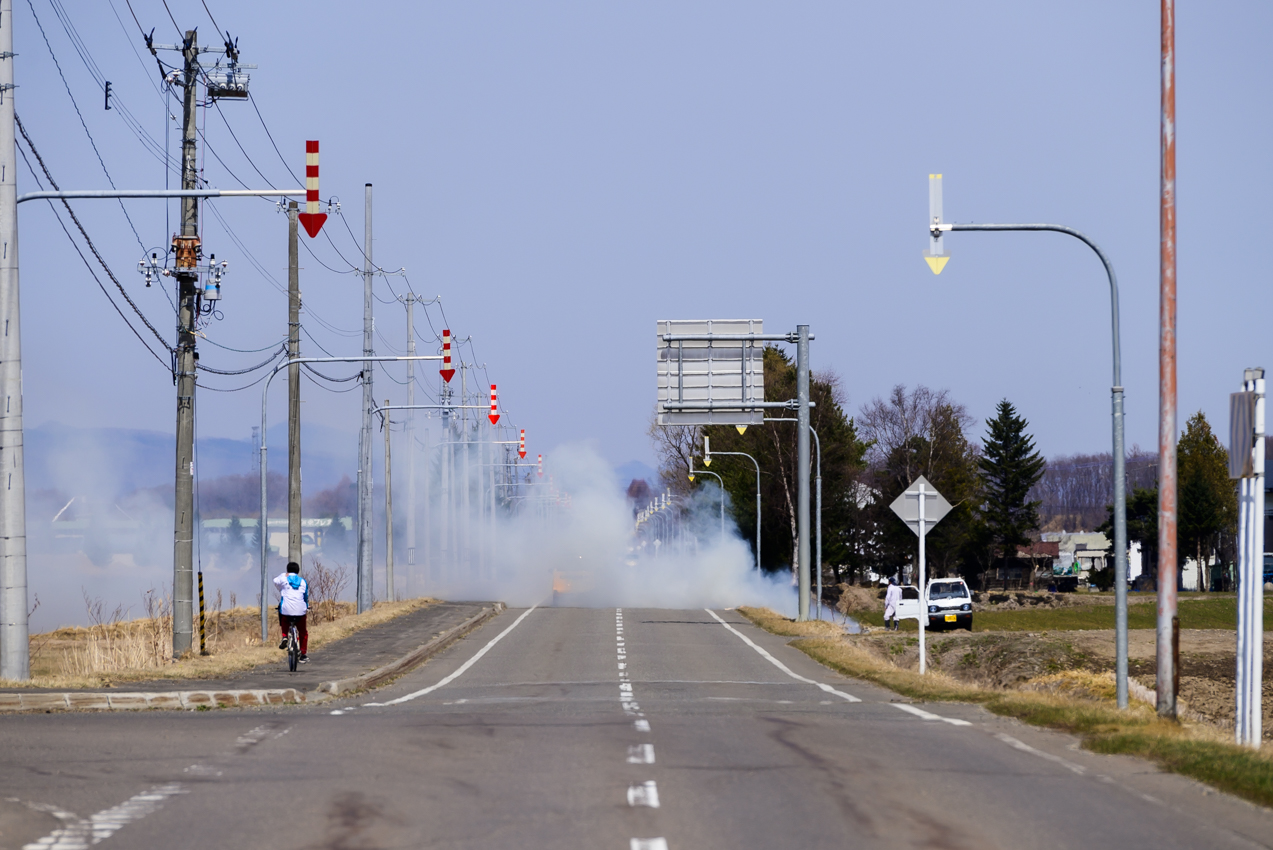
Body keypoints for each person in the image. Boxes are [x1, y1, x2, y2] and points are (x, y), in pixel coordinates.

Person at [273, 561, 309, 663]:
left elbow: (275, 581)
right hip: (300, 612)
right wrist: (306, 606)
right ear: (298, 571)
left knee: (284, 618)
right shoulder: (303, 582)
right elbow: (305, 596)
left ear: (287, 571)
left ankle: (284, 636)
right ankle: (303, 653)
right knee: (303, 632)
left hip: (287, 611)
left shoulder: (284, 579)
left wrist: (284, 575)